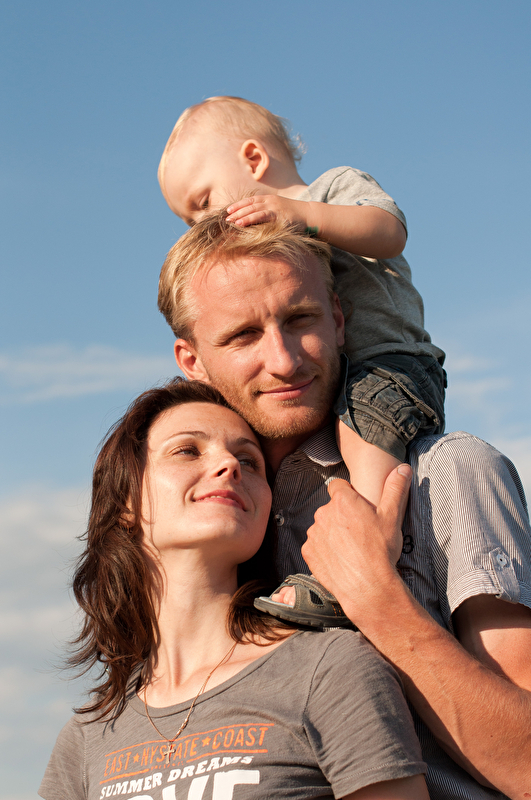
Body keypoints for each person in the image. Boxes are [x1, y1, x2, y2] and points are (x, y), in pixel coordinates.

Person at [157, 214, 531, 799]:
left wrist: (376, 597)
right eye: (243, 336)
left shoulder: (450, 475)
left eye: (299, 319)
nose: (284, 360)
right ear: (191, 360)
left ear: (338, 317)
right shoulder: (215, 518)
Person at [39, 378, 429, 800]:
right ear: (126, 502)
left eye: (249, 460)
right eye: (188, 450)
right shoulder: (86, 739)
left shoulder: (328, 669)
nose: (229, 465)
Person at [157, 95, 446, 514]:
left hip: (388, 363)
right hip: (341, 376)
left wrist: (306, 217)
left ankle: (371, 528)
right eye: (189, 221)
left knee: (363, 438)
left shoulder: (330, 191)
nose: (202, 223)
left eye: (202, 203)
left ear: (254, 159)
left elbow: (390, 231)